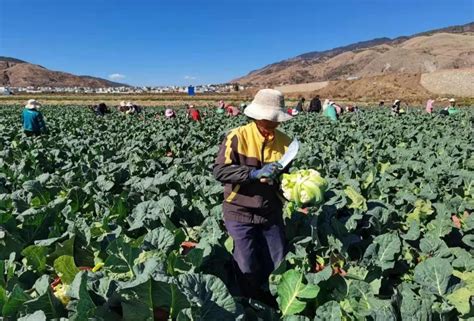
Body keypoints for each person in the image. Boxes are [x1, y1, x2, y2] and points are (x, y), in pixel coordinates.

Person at [214, 88, 292, 302]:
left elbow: (287, 177)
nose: (272, 123)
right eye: (268, 118)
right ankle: (248, 304)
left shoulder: (286, 142)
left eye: (276, 119)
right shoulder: (236, 137)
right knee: (246, 264)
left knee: (277, 262)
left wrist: (290, 186)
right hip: (239, 209)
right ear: (257, 116)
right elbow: (220, 171)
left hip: (270, 210)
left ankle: (275, 303)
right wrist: (253, 174)